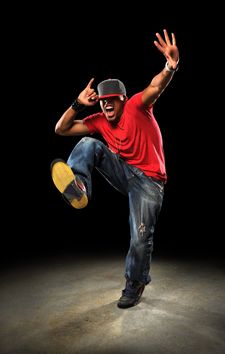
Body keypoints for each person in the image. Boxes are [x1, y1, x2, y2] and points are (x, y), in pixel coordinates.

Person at [51, 29, 179, 309]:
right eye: (102, 100)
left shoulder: (137, 106)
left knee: (140, 235)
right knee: (88, 143)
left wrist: (170, 66)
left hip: (150, 181)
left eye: (112, 100)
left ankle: (136, 280)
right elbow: (60, 129)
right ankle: (80, 186)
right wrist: (77, 104)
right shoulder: (98, 119)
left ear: (122, 99)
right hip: (125, 172)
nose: (107, 104)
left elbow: (156, 87)